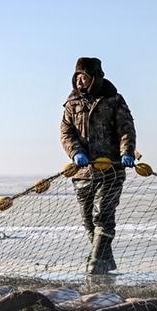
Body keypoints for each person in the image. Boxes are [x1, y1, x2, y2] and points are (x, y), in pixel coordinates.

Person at [59, 57, 137, 274]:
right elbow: (66, 132)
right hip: (83, 172)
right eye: (77, 77)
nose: (80, 81)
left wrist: (127, 153)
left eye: (84, 76)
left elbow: (126, 129)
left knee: (103, 215)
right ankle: (105, 261)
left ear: (95, 77)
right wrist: (75, 152)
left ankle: (95, 262)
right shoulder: (71, 103)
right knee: (88, 221)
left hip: (111, 169)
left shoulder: (114, 100)